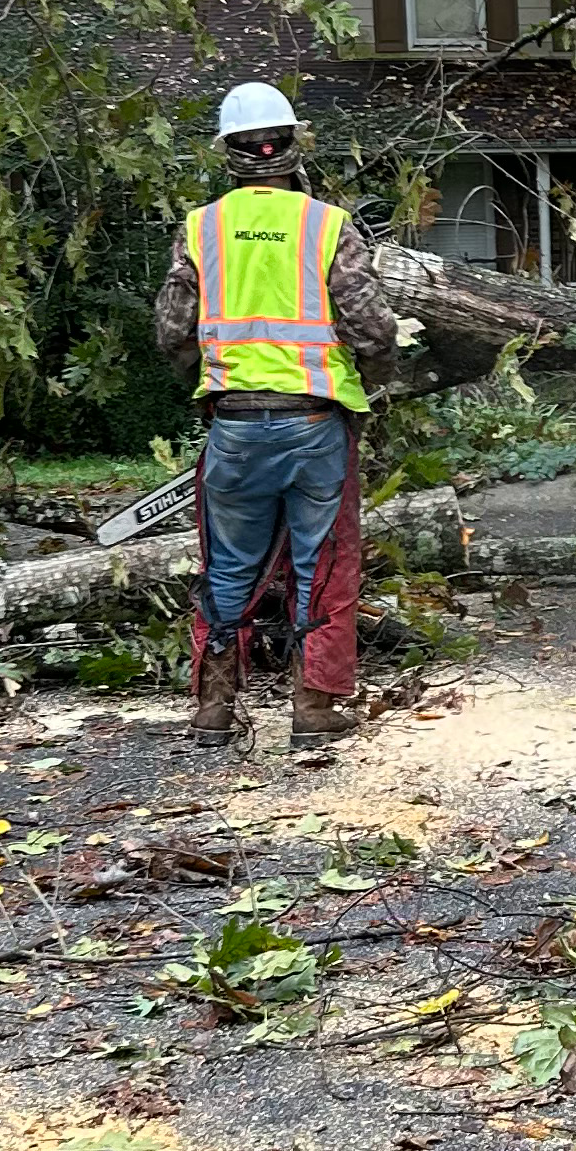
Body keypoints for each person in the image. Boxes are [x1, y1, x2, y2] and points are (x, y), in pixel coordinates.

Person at [154, 84, 399, 748]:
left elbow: (171, 330)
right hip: (317, 425)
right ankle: (314, 709)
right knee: (324, 564)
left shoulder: (200, 228)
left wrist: (210, 380)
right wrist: (376, 375)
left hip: (235, 426)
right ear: (294, 146)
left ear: (228, 154)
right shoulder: (327, 225)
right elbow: (372, 325)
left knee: (228, 567)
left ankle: (214, 710)